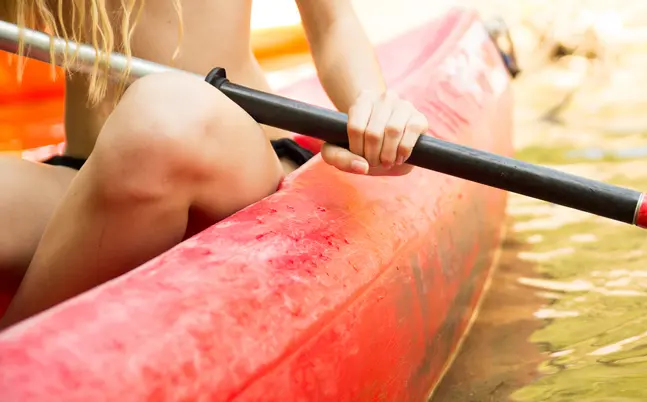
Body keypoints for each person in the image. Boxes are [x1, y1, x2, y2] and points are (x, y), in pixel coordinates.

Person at [0, 0, 429, 329]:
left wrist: (371, 109)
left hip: (231, 159)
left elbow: (332, 24)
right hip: (85, 170)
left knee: (161, 118)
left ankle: (17, 359)